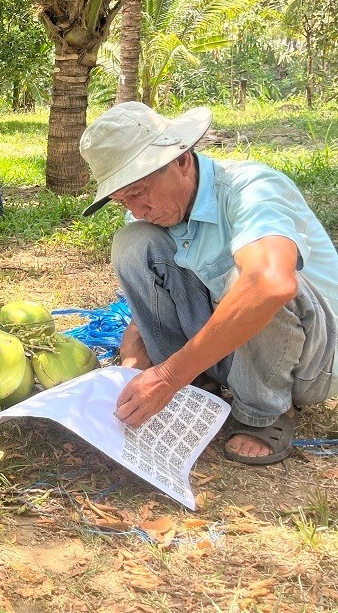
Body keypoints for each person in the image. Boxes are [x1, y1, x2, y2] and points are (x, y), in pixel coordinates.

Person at [80, 102, 337, 465]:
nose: (136, 209)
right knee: (134, 242)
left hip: (311, 361)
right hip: (231, 351)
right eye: (123, 199)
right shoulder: (153, 211)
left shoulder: (252, 187)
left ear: (181, 159)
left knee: (255, 279)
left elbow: (272, 285)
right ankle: (197, 383)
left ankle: (264, 411)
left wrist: (168, 376)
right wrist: (136, 355)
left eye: (138, 192)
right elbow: (152, 297)